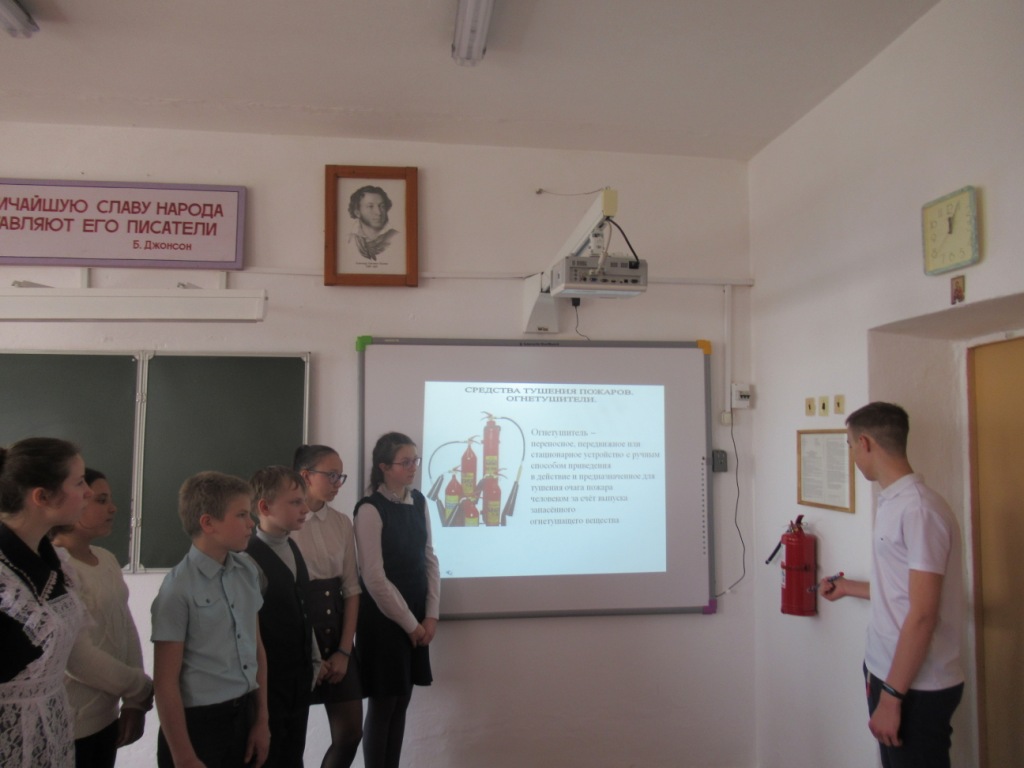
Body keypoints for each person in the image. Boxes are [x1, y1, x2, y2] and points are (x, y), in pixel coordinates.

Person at [820, 402, 965, 768]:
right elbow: (904, 589)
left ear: (865, 443)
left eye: (851, 446)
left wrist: (891, 697)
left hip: (916, 686)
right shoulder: (894, 502)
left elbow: (923, 614)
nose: (853, 456)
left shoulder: (920, 510)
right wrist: (848, 587)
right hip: (887, 672)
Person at [1, 438, 151, 767]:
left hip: (53, 737)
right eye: (79, 482)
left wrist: (138, 690)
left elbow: (75, 652)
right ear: (42, 497)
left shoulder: (57, 563)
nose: (86, 493)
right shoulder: (5, 577)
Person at [151, 471, 270, 768]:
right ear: (208, 523)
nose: (251, 523)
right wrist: (184, 757)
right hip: (199, 726)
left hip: (244, 714)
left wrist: (261, 720)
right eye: (241, 515)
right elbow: (165, 684)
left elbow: (257, 648)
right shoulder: (177, 589)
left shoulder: (247, 572)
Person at [51, 468, 152, 767]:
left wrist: (134, 703)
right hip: (70, 726)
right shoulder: (55, 566)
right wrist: (138, 687)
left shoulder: (106, 560)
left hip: (106, 719)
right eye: (100, 500)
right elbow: (77, 659)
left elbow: (126, 628)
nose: (113, 508)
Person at [353, 432, 440, 768]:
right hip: (384, 621)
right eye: (406, 462)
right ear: (384, 467)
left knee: (402, 701)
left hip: (416, 616)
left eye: (415, 460)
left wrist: (430, 615)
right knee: (384, 704)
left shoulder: (419, 502)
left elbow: (429, 558)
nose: (413, 467)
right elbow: (374, 578)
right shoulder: (370, 509)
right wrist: (410, 624)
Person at [246, 465, 324, 768]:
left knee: (293, 757)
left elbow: (303, 609)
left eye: (303, 501)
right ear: (264, 507)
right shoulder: (249, 560)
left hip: (298, 682)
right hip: (270, 687)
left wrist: (314, 659)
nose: (305, 509)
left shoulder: (291, 545)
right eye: (295, 502)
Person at [290, 445, 364, 768]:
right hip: (298, 636)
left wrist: (344, 651)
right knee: (290, 741)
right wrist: (313, 657)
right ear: (306, 475)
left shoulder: (342, 523)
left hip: (336, 632)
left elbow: (351, 589)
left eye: (340, 476)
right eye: (331, 476)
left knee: (350, 733)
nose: (338, 483)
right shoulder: (285, 524)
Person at [347, 185, 399, 261]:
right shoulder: (349, 240)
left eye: (382, 206)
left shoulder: (396, 237)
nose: (378, 213)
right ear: (357, 212)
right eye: (370, 206)